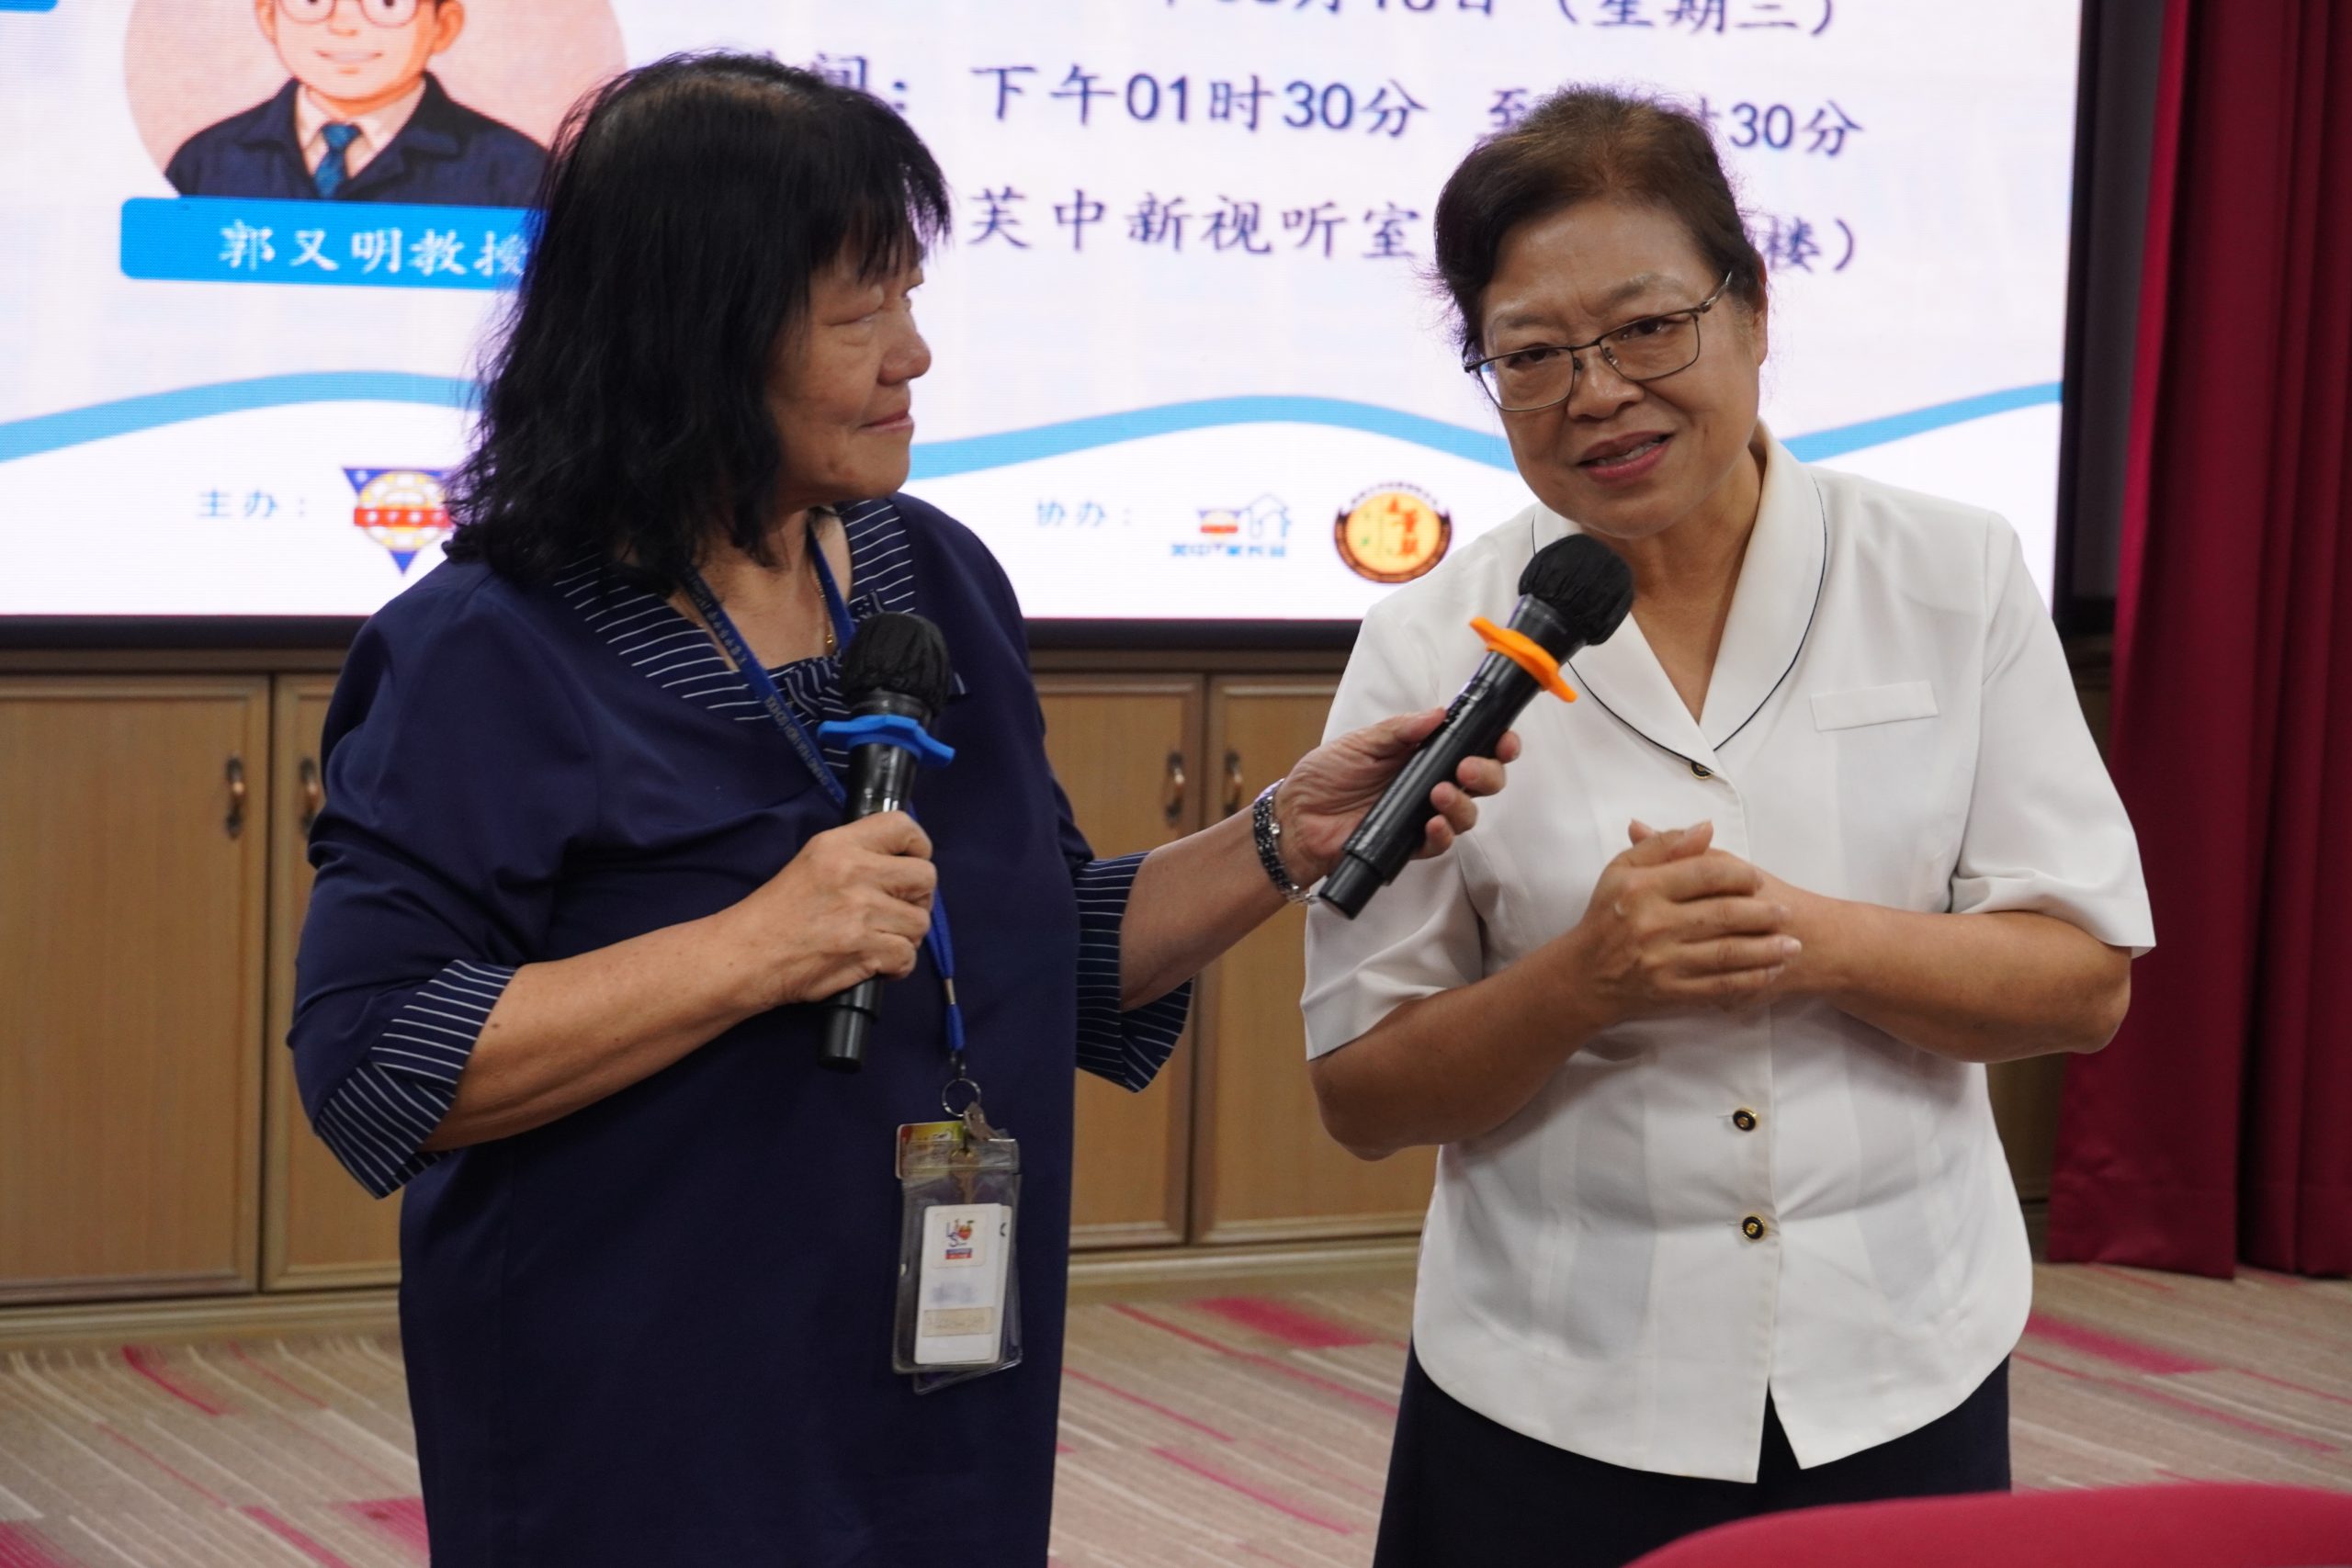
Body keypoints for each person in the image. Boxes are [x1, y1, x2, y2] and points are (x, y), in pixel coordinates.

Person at [288, 53, 1512, 1566]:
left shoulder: (933, 575)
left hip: (940, 1390)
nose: (913, 354)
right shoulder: (484, 650)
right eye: (859, 312)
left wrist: (1276, 841)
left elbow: (1035, 953)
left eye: (911, 297)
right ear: (692, 332)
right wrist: (752, 947)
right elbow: (376, 1063)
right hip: (640, 1418)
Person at [1301, 85, 2154, 1568]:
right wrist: (1583, 981)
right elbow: (1364, 1091)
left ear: (1754, 310)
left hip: (1900, 1363)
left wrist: (1815, 940)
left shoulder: (1950, 575)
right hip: (1546, 1388)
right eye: (1532, 354)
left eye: (1648, 328)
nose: (1597, 393)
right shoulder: (1432, 639)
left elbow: (2083, 982)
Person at [165, 0, 543, 207]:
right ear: (268, 16)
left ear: (443, 25)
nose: (343, 25)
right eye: (312, 2)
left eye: (387, 4)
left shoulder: (516, 169)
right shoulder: (206, 160)